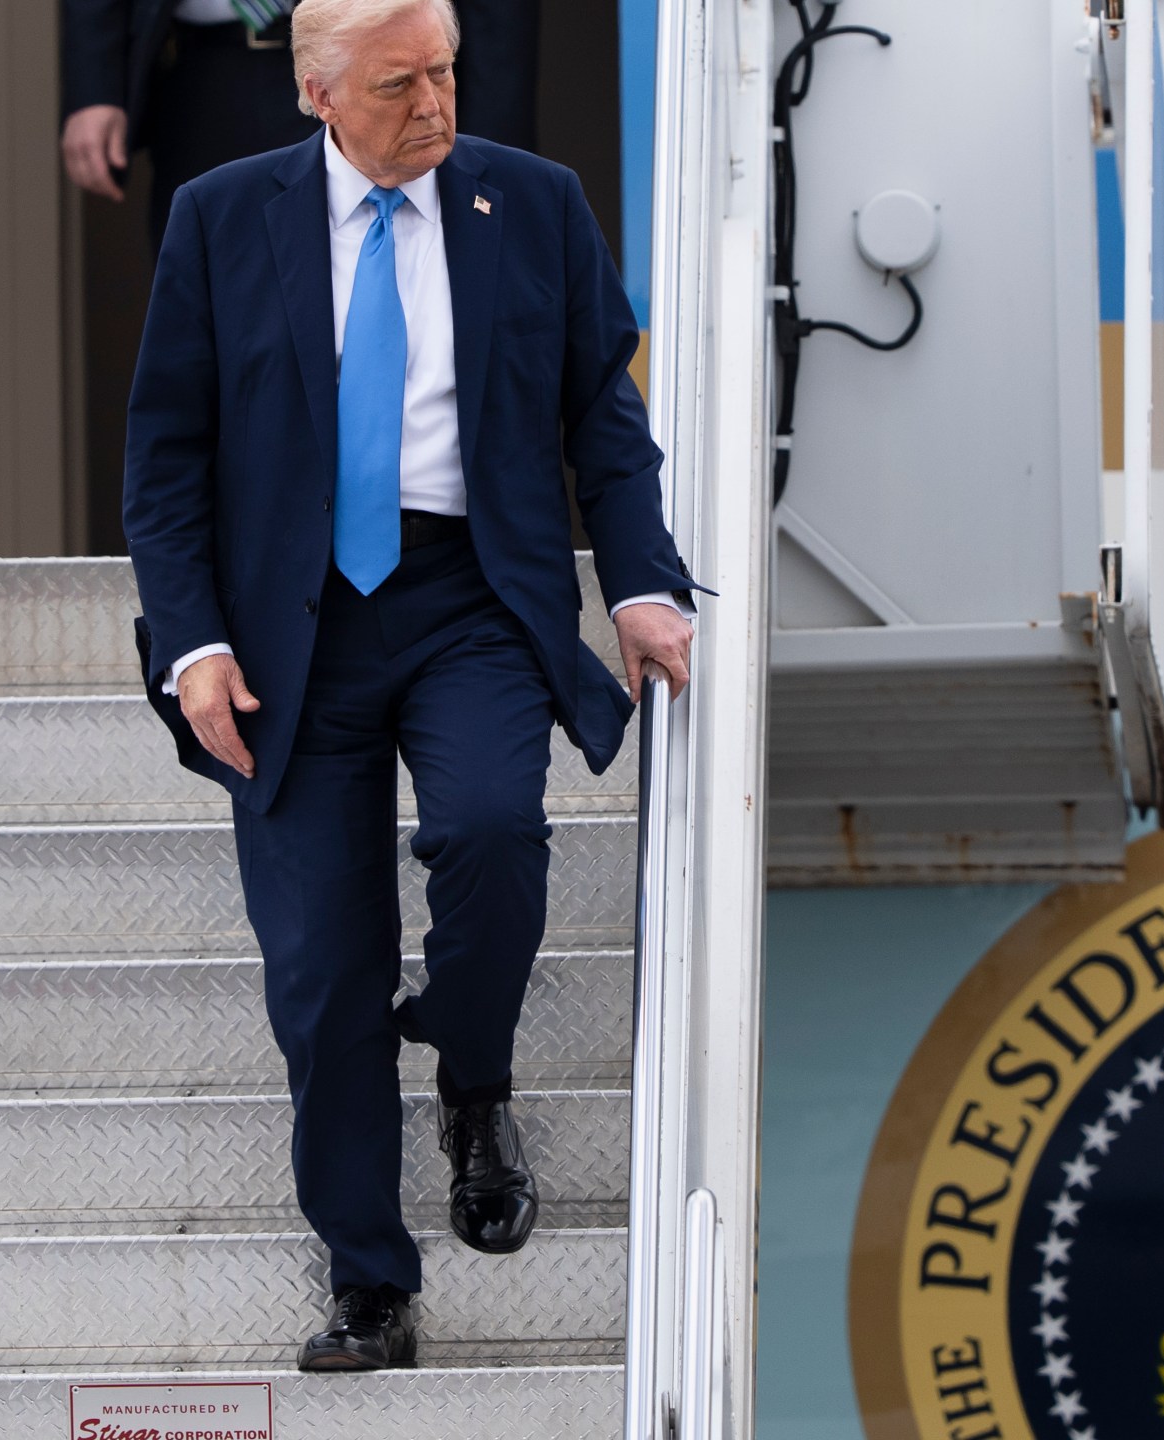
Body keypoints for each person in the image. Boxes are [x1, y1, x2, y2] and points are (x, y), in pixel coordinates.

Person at [121, 0, 699, 1372]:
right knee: (327, 979)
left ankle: (473, 1077)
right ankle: (369, 1280)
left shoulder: (532, 201)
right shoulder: (220, 217)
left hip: (468, 596)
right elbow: (165, 453)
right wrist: (192, 645)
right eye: (399, 84)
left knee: (493, 832)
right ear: (317, 94)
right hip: (288, 631)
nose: (436, 103)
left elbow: (602, 416)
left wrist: (640, 580)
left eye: (445, 72)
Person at [62, 0, 540, 245]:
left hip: (374, 59)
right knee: (211, 300)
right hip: (203, 73)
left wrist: (492, 136)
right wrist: (94, 83)